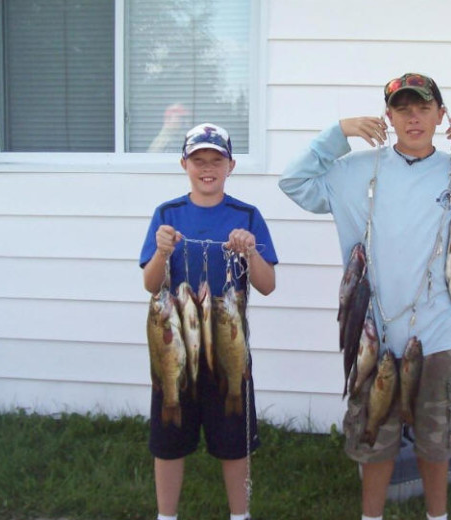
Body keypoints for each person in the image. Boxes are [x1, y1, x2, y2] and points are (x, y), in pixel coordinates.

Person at [279, 73, 451, 520]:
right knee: (374, 437)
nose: (413, 117)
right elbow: (295, 183)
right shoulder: (355, 173)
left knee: (435, 440)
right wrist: (338, 133)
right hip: (372, 334)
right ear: (389, 116)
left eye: (423, 107)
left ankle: (436, 516)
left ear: (442, 115)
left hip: (437, 333)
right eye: (402, 108)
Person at [140, 123, 278, 520]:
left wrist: (251, 251)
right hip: (176, 345)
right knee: (169, 441)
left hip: (227, 347)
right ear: (184, 164)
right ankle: (166, 516)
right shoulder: (167, 214)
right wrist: (161, 252)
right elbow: (151, 285)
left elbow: (267, 285)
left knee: (234, 441)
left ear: (230, 165)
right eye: (198, 160)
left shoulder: (247, 216)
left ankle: (240, 515)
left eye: (216, 160)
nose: (207, 167)